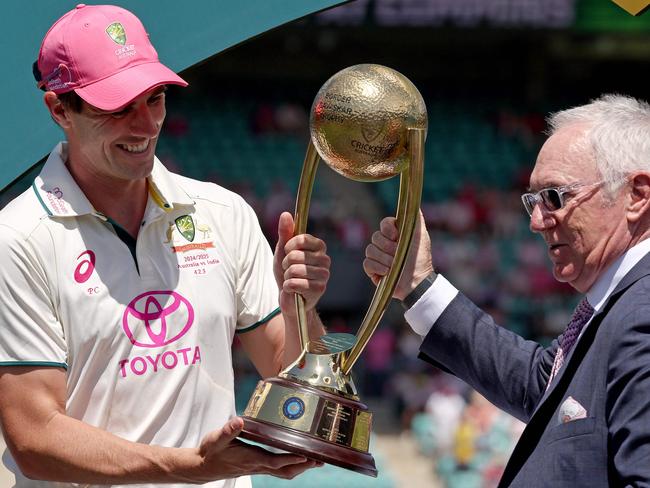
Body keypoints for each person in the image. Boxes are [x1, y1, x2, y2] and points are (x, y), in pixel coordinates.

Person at [0, 5, 330, 487]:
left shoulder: (222, 211)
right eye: (117, 107)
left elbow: (289, 374)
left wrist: (300, 308)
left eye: (153, 99)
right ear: (59, 110)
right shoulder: (18, 239)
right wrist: (190, 468)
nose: (145, 124)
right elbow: (35, 438)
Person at [363, 94, 650, 486]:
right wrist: (418, 286)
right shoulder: (623, 308)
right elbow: (540, 385)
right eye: (532, 200)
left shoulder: (642, 313)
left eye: (554, 197)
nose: (536, 221)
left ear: (637, 195)